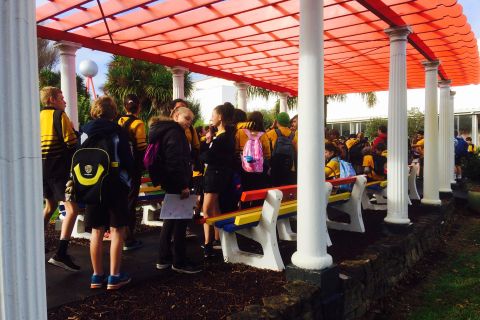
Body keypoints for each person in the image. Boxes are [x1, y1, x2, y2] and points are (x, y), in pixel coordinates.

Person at [81, 96, 134, 290]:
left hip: (92, 184)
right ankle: (114, 276)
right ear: (113, 111)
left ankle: (96, 275)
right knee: (117, 229)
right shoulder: (118, 131)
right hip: (115, 184)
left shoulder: (85, 130)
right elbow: (128, 160)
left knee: (97, 231)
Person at [149, 107, 202, 274]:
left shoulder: (164, 131)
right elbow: (175, 160)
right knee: (180, 222)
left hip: (170, 182)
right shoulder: (175, 133)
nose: (189, 123)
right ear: (175, 116)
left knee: (171, 220)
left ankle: (163, 258)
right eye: (186, 118)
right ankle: (179, 261)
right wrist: (183, 185)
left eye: (191, 120)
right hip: (178, 184)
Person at [40, 86, 81, 271]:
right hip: (58, 171)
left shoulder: (37, 117)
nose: (64, 101)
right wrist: (75, 131)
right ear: (52, 100)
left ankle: (37, 242)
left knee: (50, 207)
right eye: (61, 98)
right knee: (72, 210)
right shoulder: (60, 116)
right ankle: (61, 253)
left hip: (41, 170)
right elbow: (72, 144)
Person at [201, 104, 235, 257]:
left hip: (214, 176)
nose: (211, 117)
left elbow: (208, 156)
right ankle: (217, 239)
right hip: (219, 176)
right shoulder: (225, 136)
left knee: (206, 210)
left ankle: (207, 244)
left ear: (220, 117)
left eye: (213, 114)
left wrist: (205, 146)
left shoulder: (222, 137)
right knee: (215, 208)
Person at [118, 94, 147, 251]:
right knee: (130, 202)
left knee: (120, 201)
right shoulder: (138, 123)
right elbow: (141, 147)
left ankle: (120, 234)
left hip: (117, 167)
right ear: (139, 107)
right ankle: (129, 238)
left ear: (124, 107)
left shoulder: (117, 121)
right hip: (132, 168)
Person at [235, 111, 271, 192]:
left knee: (244, 192)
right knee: (258, 192)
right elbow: (268, 155)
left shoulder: (240, 132)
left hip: (244, 169)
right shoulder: (263, 135)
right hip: (259, 171)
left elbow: (236, 150)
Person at [266, 112, 298, 186]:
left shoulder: (272, 133)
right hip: (289, 168)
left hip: (275, 167)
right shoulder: (293, 136)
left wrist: (271, 127)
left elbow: (262, 135)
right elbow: (297, 152)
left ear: (277, 122)